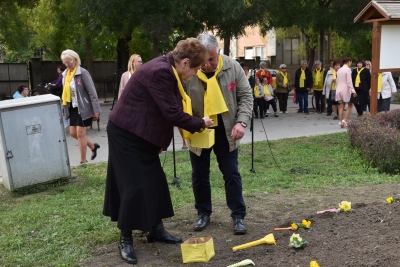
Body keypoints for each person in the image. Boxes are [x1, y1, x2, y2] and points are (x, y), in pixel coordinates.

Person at [103, 38, 213, 265]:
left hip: (141, 135)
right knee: (134, 186)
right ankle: (125, 238)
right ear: (184, 62)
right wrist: (199, 122)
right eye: (195, 69)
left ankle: (155, 229)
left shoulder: (168, 68)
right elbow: (171, 112)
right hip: (126, 133)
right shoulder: (161, 72)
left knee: (155, 181)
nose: (194, 74)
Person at [183, 33, 253, 235]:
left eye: (211, 59)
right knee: (199, 175)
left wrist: (241, 122)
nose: (206, 64)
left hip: (226, 129)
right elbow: (179, 98)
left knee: (231, 173)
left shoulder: (233, 67)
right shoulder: (190, 70)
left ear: (219, 52)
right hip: (199, 127)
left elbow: (246, 96)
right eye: (203, 60)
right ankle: (203, 213)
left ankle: (238, 215)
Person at [60, 49, 101, 164]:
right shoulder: (65, 75)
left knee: (80, 134)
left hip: (84, 108)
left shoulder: (82, 73)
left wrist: (96, 110)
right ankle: (93, 146)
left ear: (76, 60)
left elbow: (92, 92)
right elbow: (65, 93)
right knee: (73, 133)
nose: (67, 64)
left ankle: (83, 161)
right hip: (72, 108)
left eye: (69, 62)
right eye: (65, 62)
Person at [336, 57, 357, 128]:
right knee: (350, 105)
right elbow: (349, 81)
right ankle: (345, 120)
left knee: (341, 106)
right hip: (345, 89)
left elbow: (337, 80)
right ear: (349, 62)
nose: (351, 64)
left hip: (339, 88)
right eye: (351, 62)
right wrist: (353, 90)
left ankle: (341, 121)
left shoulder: (339, 70)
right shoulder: (348, 69)